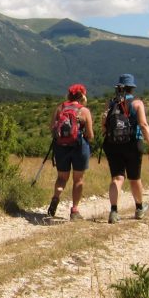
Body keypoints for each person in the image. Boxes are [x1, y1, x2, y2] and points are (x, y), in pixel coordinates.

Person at [101, 74, 149, 224]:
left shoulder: (111, 103)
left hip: (112, 144)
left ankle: (113, 211)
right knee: (134, 178)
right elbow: (143, 125)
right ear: (132, 88)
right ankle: (139, 208)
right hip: (133, 143)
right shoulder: (137, 104)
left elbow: (104, 125)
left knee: (117, 178)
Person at [47, 83, 94, 221]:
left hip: (61, 147)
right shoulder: (84, 111)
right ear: (82, 96)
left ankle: (56, 198)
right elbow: (90, 134)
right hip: (79, 147)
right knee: (78, 179)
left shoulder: (60, 108)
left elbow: (52, 128)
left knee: (62, 178)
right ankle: (74, 210)